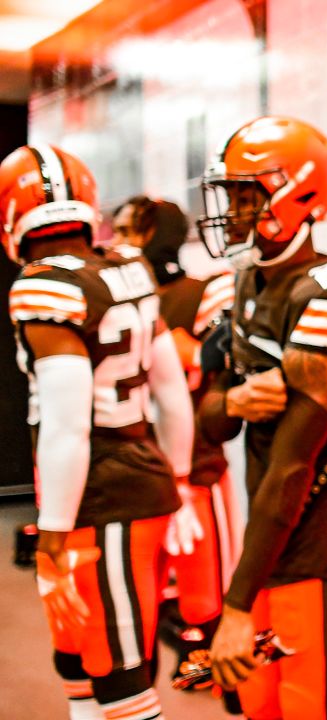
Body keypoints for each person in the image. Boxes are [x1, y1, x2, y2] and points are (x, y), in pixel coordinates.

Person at [195, 116, 327, 719]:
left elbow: (293, 465)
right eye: (229, 195)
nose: (231, 212)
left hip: (322, 548)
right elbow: (212, 422)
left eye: (247, 195)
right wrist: (231, 401)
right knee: (258, 710)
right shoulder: (237, 283)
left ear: (301, 196)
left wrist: (235, 604)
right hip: (268, 544)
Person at [1, 144, 194, 720]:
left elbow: (66, 424)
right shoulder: (127, 269)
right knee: (81, 662)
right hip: (140, 482)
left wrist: (52, 539)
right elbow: (171, 391)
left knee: (117, 677)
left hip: (101, 497)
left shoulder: (43, 287)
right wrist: (179, 478)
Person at [111, 196, 238, 684]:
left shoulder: (204, 291)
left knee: (206, 599)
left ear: (152, 235)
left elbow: (212, 357)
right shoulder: (115, 298)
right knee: (137, 605)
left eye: (127, 230)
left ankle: (218, 679)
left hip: (196, 469)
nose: (117, 242)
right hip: (137, 474)